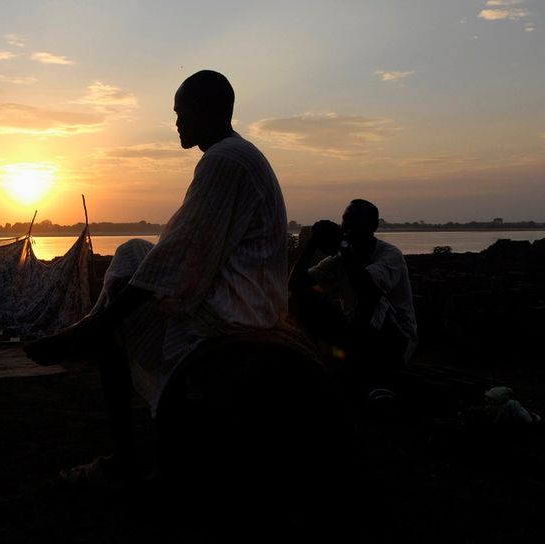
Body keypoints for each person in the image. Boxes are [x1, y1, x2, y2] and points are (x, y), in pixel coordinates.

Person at [24, 70, 291, 484]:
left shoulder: (224, 160)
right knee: (132, 249)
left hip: (238, 309)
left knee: (117, 334)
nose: (178, 123)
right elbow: (183, 246)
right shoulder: (235, 156)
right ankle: (92, 325)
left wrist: (115, 315)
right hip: (239, 295)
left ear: (206, 110)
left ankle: (123, 455)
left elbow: (183, 252)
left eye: (181, 113)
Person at [289, 199, 417, 393]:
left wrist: (343, 244)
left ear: (372, 226)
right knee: (304, 298)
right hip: (360, 334)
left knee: (373, 297)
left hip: (396, 341)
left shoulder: (390, 255)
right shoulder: (340, 259)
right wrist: (312, 243)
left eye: (354, 219)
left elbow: (367, 290)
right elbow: (296, 284)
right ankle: (337, 361)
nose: (347, 225)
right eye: (344, 220)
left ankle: (356, 369)